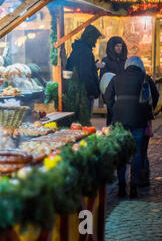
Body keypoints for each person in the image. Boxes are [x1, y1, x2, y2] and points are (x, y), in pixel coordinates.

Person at [104, 56, 159, 198]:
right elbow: (156, 94)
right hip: (139, 118)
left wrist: (113, 108)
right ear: (140, 65)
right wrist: (148, 109)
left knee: (121, 152)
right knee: (137, 152)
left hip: (119, 118)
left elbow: (107, 95)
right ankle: (134, 185)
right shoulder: (145, 78)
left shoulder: (116, 77)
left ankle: (122, 185)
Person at [66, 25, 104, 114]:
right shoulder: (85, 51)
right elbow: (85, 73)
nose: (96, 41)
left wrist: (94, 66)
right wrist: (92, 91)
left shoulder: (78, 49)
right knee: (84, 120)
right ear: (91, 37)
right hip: (84, 93)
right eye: (95, 38)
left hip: (78, 90)